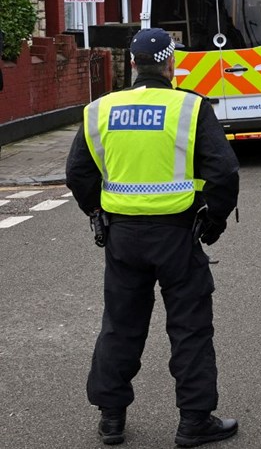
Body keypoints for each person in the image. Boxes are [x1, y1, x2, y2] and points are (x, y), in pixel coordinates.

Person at [65, 28, 240, 447]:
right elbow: (224, 171)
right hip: (177, 234)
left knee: (120, 325)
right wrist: (213, 221)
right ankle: (194, 421)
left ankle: (111, 418)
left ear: (132, 63)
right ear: (171, 63)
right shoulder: (190, 108)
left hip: (123, 236)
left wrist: (97, 212)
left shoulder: (101, 109)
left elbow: (78, 173)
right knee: (190, 327)